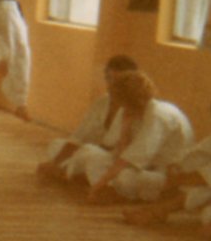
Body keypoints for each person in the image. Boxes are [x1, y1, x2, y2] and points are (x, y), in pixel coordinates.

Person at [123, 89, 211, 226]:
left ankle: (156, 211)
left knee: (207, 186)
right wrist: (176, 166)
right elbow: (194, 154)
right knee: (208, 213)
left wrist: (176, 180)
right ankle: (156, 210)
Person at [68, 71, 194, 204]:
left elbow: (129, 160)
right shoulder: (131, 112)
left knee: (124, 177)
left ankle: (112, 191)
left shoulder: (159, 115)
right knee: (90, 152)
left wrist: (98, 185)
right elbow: (122, 154)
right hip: (143, 167)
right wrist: (125, 128)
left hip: (166, 173)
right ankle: (110, 190)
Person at [37, 54, 139, 184]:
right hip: (92, 152)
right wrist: (54, 163)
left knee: (89, 155)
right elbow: (78, 136)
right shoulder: (102, 102)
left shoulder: (134, 108)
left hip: (116, 160)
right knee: (56, 145)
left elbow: (130, 151)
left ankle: (69, 172)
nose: (112, 86)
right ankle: (70, 172)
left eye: (119, 82)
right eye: (109, 79)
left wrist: (91, 150)